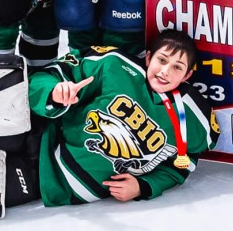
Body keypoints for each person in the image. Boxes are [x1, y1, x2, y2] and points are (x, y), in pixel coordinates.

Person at [24, 30, 216, 205]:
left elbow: (182, 165)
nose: (166, 71)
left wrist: (143, 185)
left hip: (59, 189)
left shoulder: (193, 118)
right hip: (39, 146)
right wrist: (55, 91)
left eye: (177, 67)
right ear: (149, 57)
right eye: (162, 60)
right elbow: (43, 76)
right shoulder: (114, 65)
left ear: (187, 75)